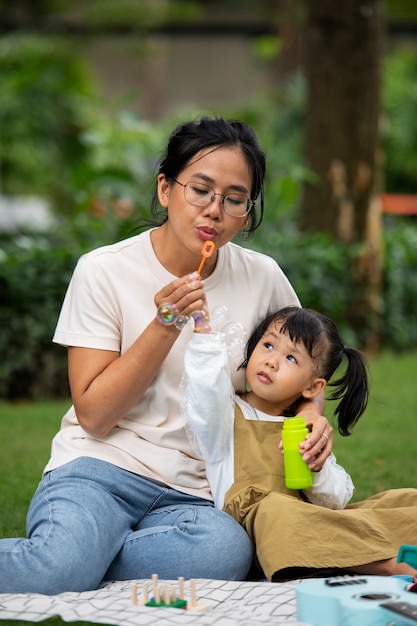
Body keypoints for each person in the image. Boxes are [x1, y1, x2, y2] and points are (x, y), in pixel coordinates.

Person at [0, 116, 332, 595]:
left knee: (225, 551)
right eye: (200, 190)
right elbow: (94, 416)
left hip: (195, 492)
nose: (214, 211)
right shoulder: (103, 271)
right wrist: (164, 324)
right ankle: (73, 556)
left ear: (247, 210)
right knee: (55, 570)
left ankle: (85, 555)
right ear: (165, 190)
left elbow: (305, 369)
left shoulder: (263, 278)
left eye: (234, 199)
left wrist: (313, 415)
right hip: (100, 469)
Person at [181, 305, 417, 582]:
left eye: (291, 358)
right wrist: (204, 337)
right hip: (260, 536)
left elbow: (336, 501)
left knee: (404, 500)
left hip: (310, 524)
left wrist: (316, 470)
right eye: (268, 345)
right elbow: (205, 392)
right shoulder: (224, 415)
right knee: (276, 510)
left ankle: (369, 549)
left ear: (312, 388)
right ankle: (388, 564)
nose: (272, 361)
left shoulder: (304, 426)